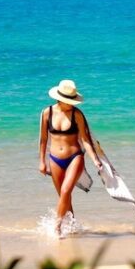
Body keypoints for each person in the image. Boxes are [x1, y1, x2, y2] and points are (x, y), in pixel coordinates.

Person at [38, 79, 102, 236]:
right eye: (69, 100)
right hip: (54, 159)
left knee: (66, 191)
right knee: (64, 196)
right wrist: (41, 161)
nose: (71, 103)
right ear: (59, 98)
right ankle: (72, 227)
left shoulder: (77, 115)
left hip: (75, 157)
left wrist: (95, 160)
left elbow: (86, 140)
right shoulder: (47, 113)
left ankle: (57, 227)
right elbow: (43, 139)